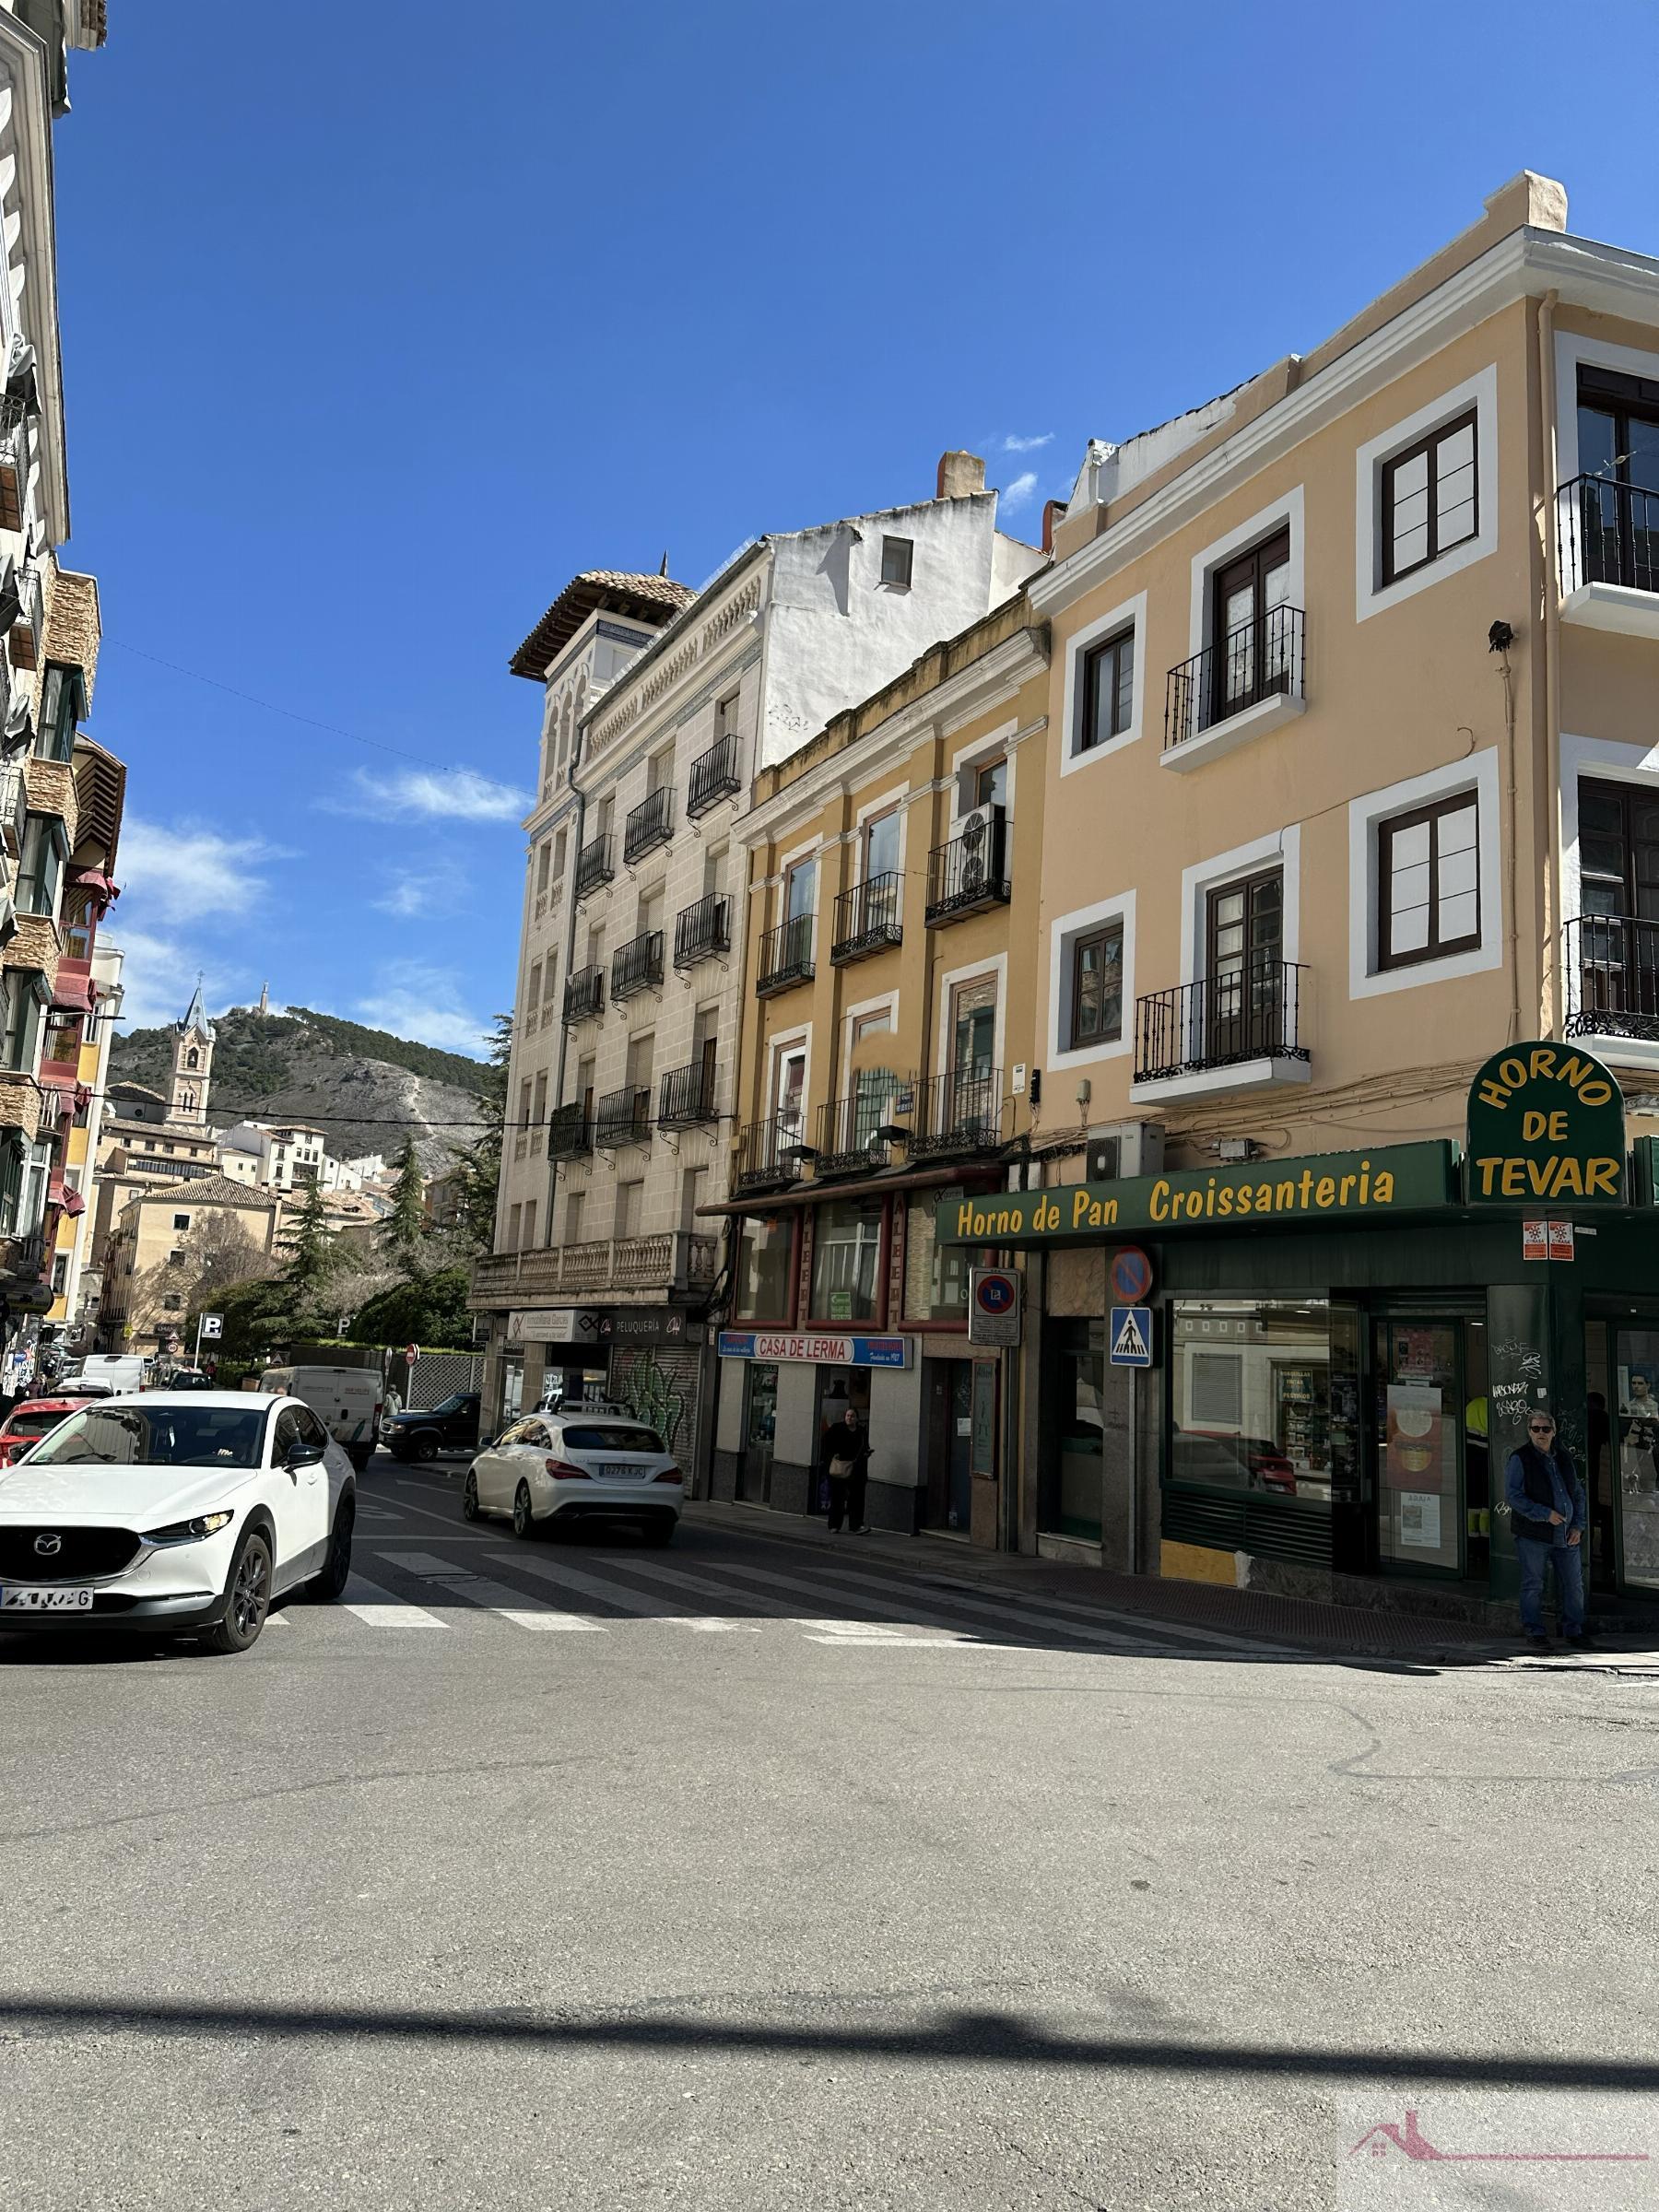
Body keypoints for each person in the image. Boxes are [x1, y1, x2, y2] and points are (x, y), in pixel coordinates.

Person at [1504, 1409, 1589, 1649]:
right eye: (1535, 1428)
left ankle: (1574, 1630)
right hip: (1534, 1535)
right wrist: (1544, 1514)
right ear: (1529, 1431)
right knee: (1533, 1584)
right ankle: (1535, 1631)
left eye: (1545, 1429)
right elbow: (1513, 1496)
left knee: (1574, 1584)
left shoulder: (1563, 1458)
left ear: (1554, 1431)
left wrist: (1578, 1525)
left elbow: (1578, 1494)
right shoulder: (1520, 1458)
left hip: (1566, 1534)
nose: (1541, 1433)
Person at [823, 1406, 871, 1535]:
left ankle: (856, 1525)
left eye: (852, 1416)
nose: (849, 1418)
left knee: (856, 1498)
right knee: (838, 1497)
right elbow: (826, 1443)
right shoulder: (837, 1428)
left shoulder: (861, 1432)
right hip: (839, 1468)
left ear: (857, 1418)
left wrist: (866, 1454)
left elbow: (864, 1447)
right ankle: (834, 1525)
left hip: (855, 1470)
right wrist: (832, 1455)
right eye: (848, 1416)